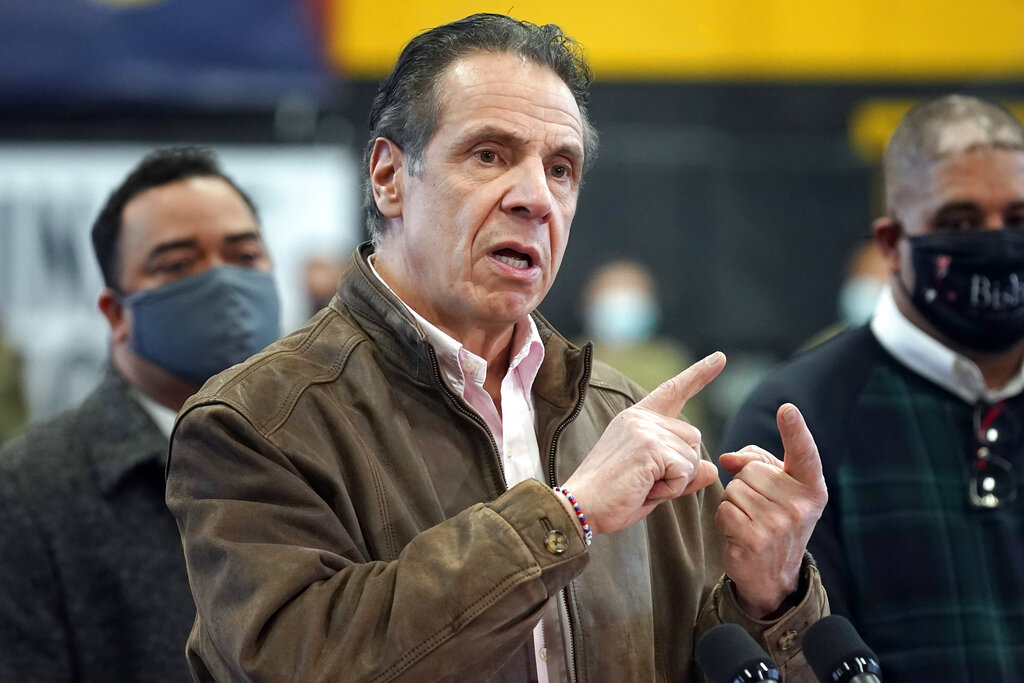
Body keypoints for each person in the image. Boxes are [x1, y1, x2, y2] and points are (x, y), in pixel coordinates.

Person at [166, 14, 829, 682]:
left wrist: (770, 598)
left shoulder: (623, 417)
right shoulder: (255, 420)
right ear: (389, 176)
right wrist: (565, 515)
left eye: (561, 168)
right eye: (490, 154)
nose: (536, 197)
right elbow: (300, 663)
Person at [722, 94, 1024, 681]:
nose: (997, 243)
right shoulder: (796, 419)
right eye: (960, 223)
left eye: (1018, 219)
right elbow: (784, 650)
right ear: (890, 243)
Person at [0, 146, 281, 682]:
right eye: (177, 265)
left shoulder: (337, 445)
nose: (221, 284)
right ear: (116, 314)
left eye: (244, 256)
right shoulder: (30, 495)